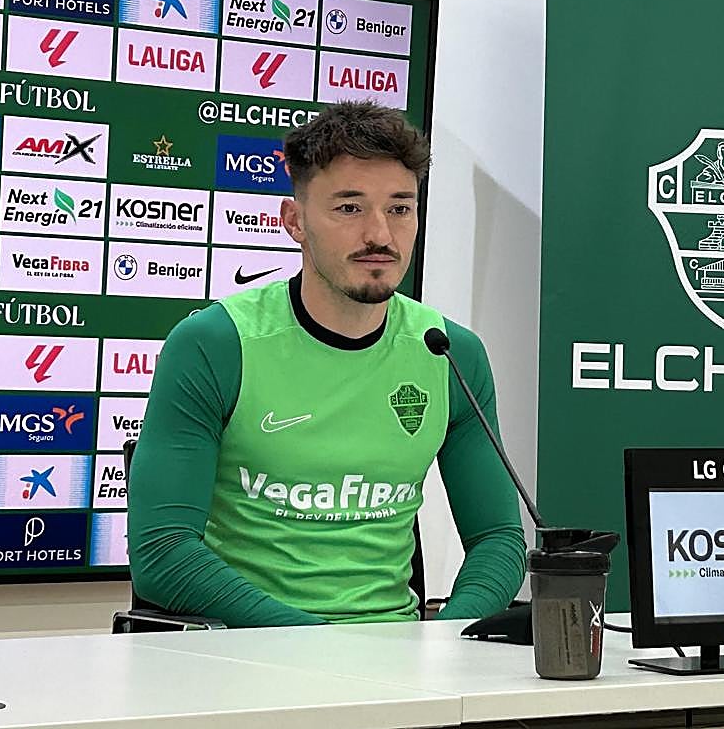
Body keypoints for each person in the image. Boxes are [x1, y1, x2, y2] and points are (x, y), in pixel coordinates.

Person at [127, 100, 525, 626]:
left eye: (400, 208)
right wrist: (322, 650)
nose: (380, 235)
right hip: (243, 660)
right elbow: (163, 555)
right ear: (294, 220)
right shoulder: (214, 344)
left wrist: (450, 638)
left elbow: (499, 539)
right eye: (349, 208)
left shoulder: (450, 352)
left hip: (400, 667)